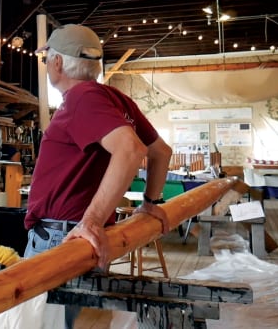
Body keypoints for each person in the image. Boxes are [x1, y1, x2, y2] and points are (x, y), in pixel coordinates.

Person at [23, 24, 172, 328]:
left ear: (58, 62)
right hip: (79, 235)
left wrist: (90, 221)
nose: (47, 64)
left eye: (46, 58)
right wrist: (150, 202)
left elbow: (130, 150)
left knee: (43, 324)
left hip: (62, 237)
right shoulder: (114, 98)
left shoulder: (82, 98)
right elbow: (161, 152)